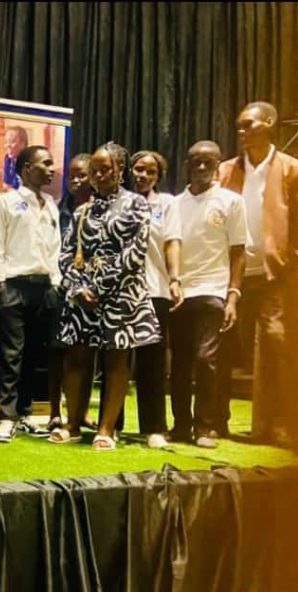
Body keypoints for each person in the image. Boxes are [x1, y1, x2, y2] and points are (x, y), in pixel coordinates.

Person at [218, 101, 298, 448]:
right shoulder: (226, 171)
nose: (242, 131)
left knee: (277, 348)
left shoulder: (293, 170)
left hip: (274, 276)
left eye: (249, 124)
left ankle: (278, 426)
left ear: (270, 123)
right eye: (239, 125)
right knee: (225, 349)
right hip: (230, 276)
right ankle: (214, 421)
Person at [52, 144, 159, 450]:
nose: (98, 176)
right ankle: (73, 424)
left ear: (120, 170)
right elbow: (66, 254)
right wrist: (78, 288)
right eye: (94, 171)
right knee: (77, 358)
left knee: (116, 361)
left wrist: (100, 286)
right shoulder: (82, 210)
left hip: (121, 293)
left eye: (105, 169)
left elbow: (135, 253)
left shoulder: (137, 205)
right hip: (83, 295)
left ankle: (106, 429)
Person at [171, 141, 247, 449]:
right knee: (179, 363)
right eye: (196, 162)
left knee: (206, 360)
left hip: (213, 291)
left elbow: (239, 252)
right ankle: (180, 426)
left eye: (208, 162)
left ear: (218, 165)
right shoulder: (174, 204)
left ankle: (204, 426)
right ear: (187, 165)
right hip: (179, 292)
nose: (201, 167)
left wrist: (233, 296)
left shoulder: (231, 201)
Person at [0, 144, 62, 444]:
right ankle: (6, 418)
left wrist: (55, 283)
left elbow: (55, 248)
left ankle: (26, 413)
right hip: (14, 285)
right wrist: (0, 284)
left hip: (44, 287)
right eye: (46, 163)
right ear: (27, 168)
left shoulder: (52, 204)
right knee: (11, 354)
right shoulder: (7, 202)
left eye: (52, 164)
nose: (51, 169)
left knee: (34, 354)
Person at [131, 150, 184, 448]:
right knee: (117, 362)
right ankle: (110, 426)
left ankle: (153, 428)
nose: (143, 175)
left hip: (155, 290)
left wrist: (175, 279)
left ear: (158, 177)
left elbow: (172, 243)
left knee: (152, 361)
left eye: (150, 172)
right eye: (139, 169)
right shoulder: (119, 201)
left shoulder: (167, 204)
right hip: (121, 292)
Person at [51, 153, 93, 431]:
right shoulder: (57, 208)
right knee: (57, 352)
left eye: (82, 175)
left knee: (85, 355)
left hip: (89, 290)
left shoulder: (100, 211)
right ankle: (55, 411)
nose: (76, 181)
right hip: (60, 286)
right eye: (72, 176)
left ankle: (80, 411)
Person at [2, 125, 28, 189]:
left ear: (23, 144)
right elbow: (6, 185)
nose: (7, 145)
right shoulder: (8, 159)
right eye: (6, 142)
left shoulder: (30, 163)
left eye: (12, 141)